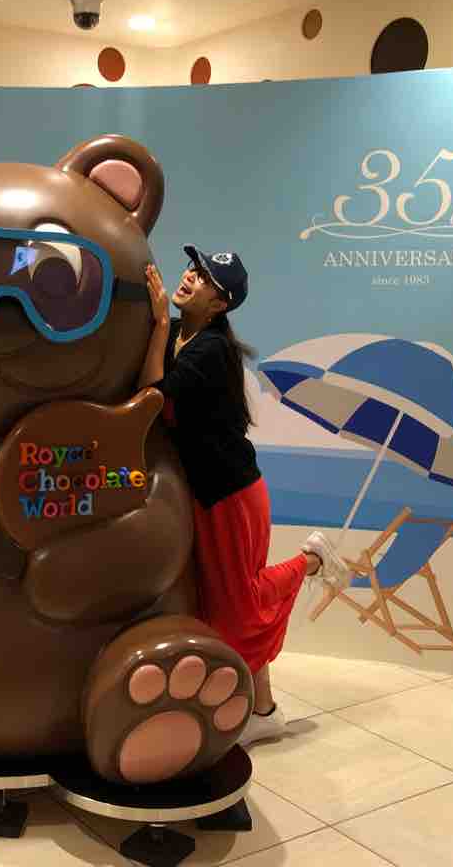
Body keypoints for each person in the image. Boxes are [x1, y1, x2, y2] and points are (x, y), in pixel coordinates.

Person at [140, 246, 350, 747]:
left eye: (205, 278)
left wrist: (158, 323)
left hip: (231, 493)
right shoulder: (184, 335)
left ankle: (312, 561)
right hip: (209, 492)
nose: (190, 276)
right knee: (223, 606)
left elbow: (153, 396)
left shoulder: (211, 350)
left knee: (241, 606)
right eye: (193, 268)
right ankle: (264, 710)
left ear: (220, 304)